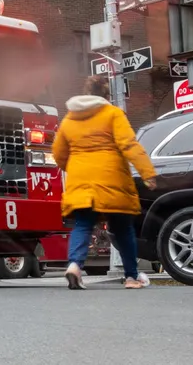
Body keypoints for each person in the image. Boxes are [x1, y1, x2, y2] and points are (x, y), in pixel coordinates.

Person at [53, 75, 157, 290]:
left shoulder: (69, 119)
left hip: (80, 179)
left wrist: (72, 168)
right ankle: (131, 277)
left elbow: (58, 153)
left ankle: (74, 265)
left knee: (83, 225)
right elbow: (129, 144)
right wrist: (147, 172)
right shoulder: (112, 114)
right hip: (112, 178)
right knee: (122, 228)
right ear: (106, 96)